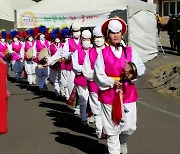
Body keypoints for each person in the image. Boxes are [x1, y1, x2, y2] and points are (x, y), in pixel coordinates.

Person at [94, 18, 146, 154]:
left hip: (128, 92)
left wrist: (132, 73)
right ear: (108, 35)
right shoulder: (102, 54)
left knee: (130, 127)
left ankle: (122, 142)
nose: (116, 35)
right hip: (109, 94)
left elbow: (140, 68)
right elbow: (98, 75)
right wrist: (112, 82)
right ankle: (114, 149)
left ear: (122, 34)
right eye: (112, 33)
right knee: (112, 128)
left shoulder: (130, 51)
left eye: (118, 32)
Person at [82, 26, 105, 138]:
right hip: (94, 85)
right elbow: (86, 71)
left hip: (108, 86)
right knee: (97, 108)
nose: (98, 39)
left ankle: (108, 128)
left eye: (100, 37)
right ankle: (99, 129)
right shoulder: (89, 52)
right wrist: (98, 76)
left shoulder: (109, 50)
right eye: (96, 37)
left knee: (107, 108)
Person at [71, 29, 92, 126]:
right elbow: (75, 66)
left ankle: (92, 116)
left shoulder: (95, 51)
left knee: (93, 100)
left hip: (93, 80)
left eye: (88, 39)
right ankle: (83, 117)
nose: (86, 41)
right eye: (84, 39)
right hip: (81, 79)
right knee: (83, 99)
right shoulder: (76, 52)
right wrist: (86, 69)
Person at [63, 21, 82, 114]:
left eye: (78, 31)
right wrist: (70, 54)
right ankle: (74, 104)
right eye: (74, 31)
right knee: (71, 86)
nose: (76, 33)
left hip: (81, 67)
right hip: (70, 67)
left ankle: (79, 106)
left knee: (81, 87)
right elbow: (64, 53)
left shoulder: (84, 41)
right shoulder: (68, 41)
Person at [33, 25, 50, 91]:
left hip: (46, 58)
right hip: (39, 58)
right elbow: (34, 49)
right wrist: (34, 55)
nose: (42, 36)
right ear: (39, 35)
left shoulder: (47, 42)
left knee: (46, 73)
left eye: (43, 34)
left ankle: (44, 83)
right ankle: (40, 86)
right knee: (40, 73)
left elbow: (49, 50)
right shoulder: (36, 42)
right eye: (41, 34)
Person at [48, 27, 64, 96]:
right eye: (56, 37)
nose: (57, 39)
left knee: (62, 78)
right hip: (53, 65)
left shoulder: (63, 45)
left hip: (61, 64)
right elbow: (48, 55)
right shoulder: (50, 46)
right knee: (54, 78)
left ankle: (62, 91)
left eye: (58, 37)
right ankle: (57, 91)